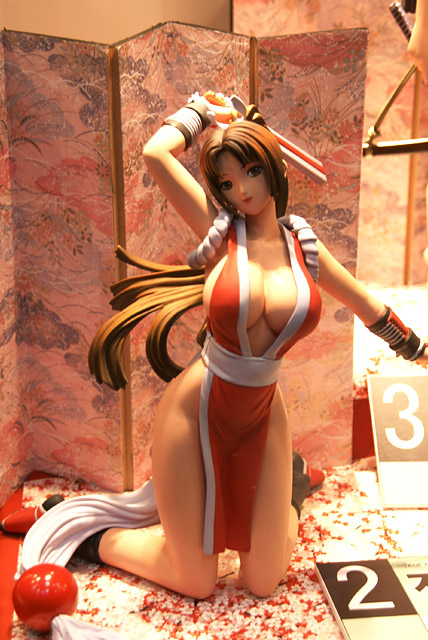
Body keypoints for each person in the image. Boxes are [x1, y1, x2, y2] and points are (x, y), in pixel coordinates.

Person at [18, 93, 428, 602]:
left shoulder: (305, 249)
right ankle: (85, 532)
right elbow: (155, 154)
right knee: (196, 581)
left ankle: (293, 487)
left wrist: (418, 352)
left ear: (274, 167)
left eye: (251, 171)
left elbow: (369, 307)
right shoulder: (220, 234)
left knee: (262, 581)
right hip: (196, 412)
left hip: (264, 414)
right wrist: (201, 112)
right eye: (228, 183)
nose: (243, 190)